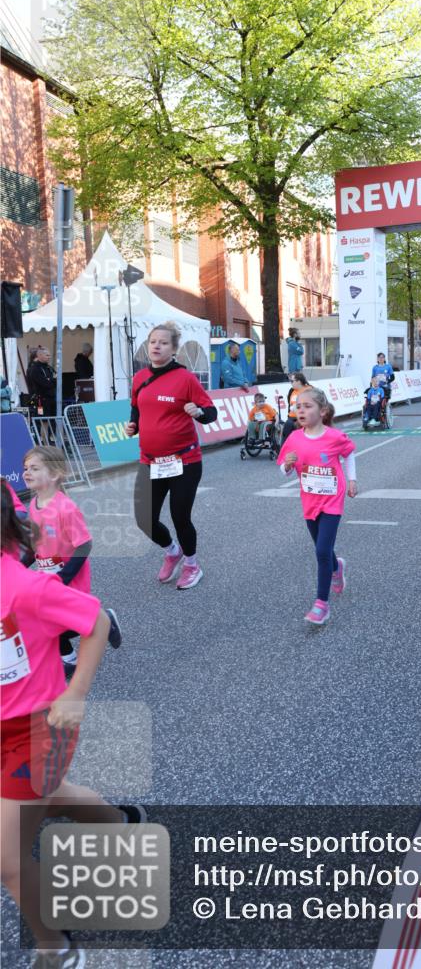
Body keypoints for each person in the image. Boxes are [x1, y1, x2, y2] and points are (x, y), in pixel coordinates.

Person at [1, 483, 145, 969]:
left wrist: (75, 692)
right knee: (52, 797)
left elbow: (97, 621)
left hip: (38, 728)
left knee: (7, 858)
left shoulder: (25, 587)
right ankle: (121, 824)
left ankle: (56, 949)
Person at [126, 322, 218, 590]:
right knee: (145, 519)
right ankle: (172, 551)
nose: (156, 346)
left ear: (174, 349)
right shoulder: (139, 377)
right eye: (153, 341)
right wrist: (133, 425)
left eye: (163, 342)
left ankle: (192, 564)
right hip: (150, 461)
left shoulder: (185, 378)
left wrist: (198, 412)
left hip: (184, 461)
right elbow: (136, 407)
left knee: (180, 516)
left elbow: (211, 413)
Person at [22, 446, 122, 677]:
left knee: (62, 621)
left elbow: (84, 544)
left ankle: (103, 620)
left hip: (69, 576)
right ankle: (69, 659)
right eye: (25, 468)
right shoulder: (34, 505)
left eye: (34, 468)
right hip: (47, 576)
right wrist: (19, 564)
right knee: (45, 620)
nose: (27, 472)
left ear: (55, 474)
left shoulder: (65, 508)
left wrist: (64, 576)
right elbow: (36, 543)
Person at [277, 387, 357, 625]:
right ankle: (336, 567)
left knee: (321, 551)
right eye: (298, 407)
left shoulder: (334, 436)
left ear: (322, 411)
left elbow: (349, 453)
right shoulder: (294, 438)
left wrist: (352, 480)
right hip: (309, 500)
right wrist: (287, 466)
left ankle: (322, 604)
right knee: (322, 547)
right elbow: (283, 470)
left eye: (307, 406)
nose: (301, 410)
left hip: (332, 499)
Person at [26, 346, 57, 416]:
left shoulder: (49, 368)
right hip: (40, 400)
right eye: (47, 355)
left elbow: (58, 379)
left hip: (52, 399)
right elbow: (46, 384)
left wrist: (50, 379)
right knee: (42, 418)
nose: (49, 357)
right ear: (39, 356)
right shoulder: (34, 369)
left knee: (53, 418)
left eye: (49, 355)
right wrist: (52, 380)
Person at [281, 371, 309, 447]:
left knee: (297, 429)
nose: (291, 383)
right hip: (292, 417)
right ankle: (284, 450)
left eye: (292, 381)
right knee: (286, 429)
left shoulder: (308, 390)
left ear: (299, 381)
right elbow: (290, 405)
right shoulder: (292, 391)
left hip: (303, 417)